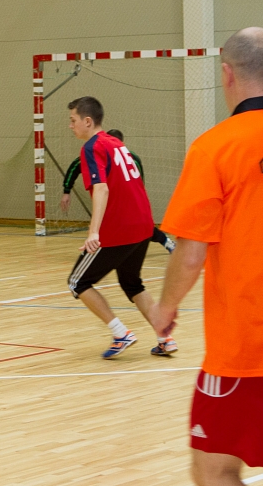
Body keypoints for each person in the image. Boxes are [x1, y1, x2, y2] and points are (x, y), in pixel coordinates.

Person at [149, 27, 263, 483]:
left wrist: (164, 308)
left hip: (245, 349)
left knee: (213, 471)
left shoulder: (215, 147)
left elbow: (192, 252)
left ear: (226, 74)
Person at [66, 96, 177, 359]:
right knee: (132, 283)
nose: (70, 126)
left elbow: (101, 189)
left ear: (88, 121)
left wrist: (94, 232)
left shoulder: (92, 147)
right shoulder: (117, 144)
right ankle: (165, 338)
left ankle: (120, 333)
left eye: (73, 120)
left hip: (120, 228)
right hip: (143, 226)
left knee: (77, 282)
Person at [60, 128, 176, 253]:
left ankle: (165, 242)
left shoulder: (131, 157)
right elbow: (74, 168)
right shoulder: (97, 154)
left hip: (126, 201)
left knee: (138, 227)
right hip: (112, 202)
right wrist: (67, 190)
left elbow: (139, 183)